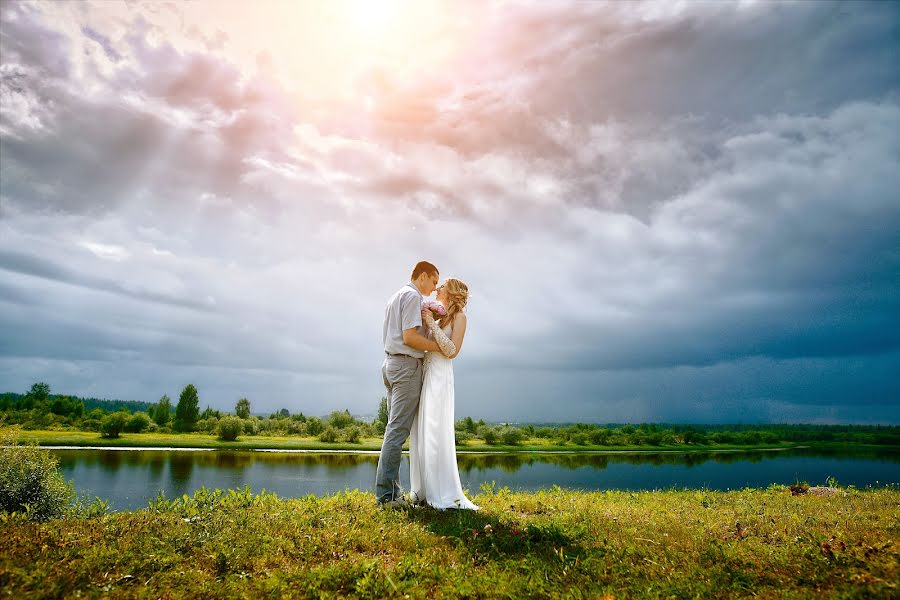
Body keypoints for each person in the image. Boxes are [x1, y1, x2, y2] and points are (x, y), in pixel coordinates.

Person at [375, 261, 442, 508]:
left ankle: (392, 493)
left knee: (394, 429)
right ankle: (386, 497)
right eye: (434, 281)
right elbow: (409, 337)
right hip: (405, 367)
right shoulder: (412, 296)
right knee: (397, 431)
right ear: (422, 276)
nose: (435, 288)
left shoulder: (395, 296)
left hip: (391, 364)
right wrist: (438, 348)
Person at [409, 277, 479, 510]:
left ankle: (441, 492)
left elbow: (451, 350)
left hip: (440, 378)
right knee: (422, 431)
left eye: (442, 285)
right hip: (426, 375)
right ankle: (422, 490)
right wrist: (429, 320)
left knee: (435, 430)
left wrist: (431, 323)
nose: (437, 288)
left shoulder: (460, 318)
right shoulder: (438, 315)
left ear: (451, 292)